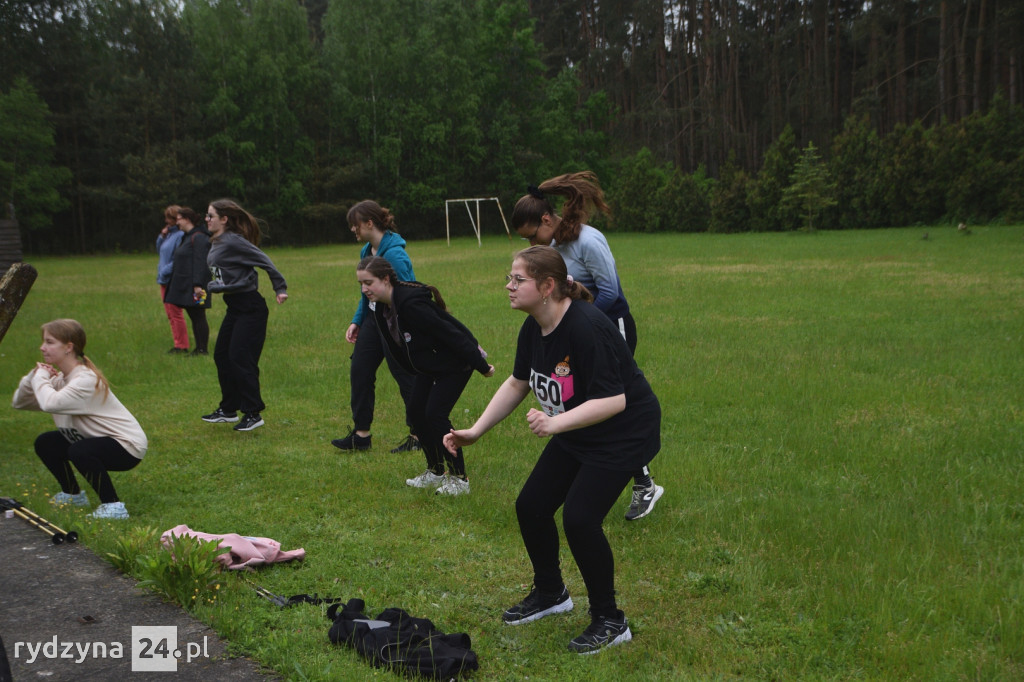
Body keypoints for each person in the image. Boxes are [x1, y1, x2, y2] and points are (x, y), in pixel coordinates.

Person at [444, 246, 661, 655]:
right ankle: (551, 593)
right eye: (509, 278)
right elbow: (518, 382)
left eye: (517, 280)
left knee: (580, 519)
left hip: (623, 432)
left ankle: (611, 620)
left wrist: (555, 423)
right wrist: (475, 431)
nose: (508, 286)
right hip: (581, 427)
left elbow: (614, 401)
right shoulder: (534, 326)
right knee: (532, 506)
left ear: (546, 287)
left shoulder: (585, 327)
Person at [511, 172, 664, 521]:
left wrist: (578, 326)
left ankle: (643, 484)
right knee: (590, 402)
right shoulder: (552, 250)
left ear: (547, 220)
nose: (533, 243)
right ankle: (603, 474)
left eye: (533, 234)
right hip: (583, 331)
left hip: (611, 326)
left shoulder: (589, 241)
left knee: (616, 402)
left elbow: (611, 293)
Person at [356, 256, 494, 495]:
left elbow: (449, 331)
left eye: (369, 282)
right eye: (361, 284)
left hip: (455, 363)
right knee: (416, 412)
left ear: (386, 279)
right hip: (429, 367)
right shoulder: (381, 306)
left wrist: (479, 363)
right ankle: (435, 472)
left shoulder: (410, 304)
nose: (364, 289)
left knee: (435, 414)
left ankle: (460, 480)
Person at [12, 319, 148, 519]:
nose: (42, 348)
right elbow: (20, 403)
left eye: (49, 342)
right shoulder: (61, 380)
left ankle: (113, 507)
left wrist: (41, 377)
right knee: (46, 442)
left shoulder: (84, 380)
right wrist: (32, 377)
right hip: (93, 440)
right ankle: (73, 495)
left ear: (68, 347)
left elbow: (49, 402)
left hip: (127, 447)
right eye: (43, 342)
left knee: (79, 450)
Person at [332, 200, 421, 454]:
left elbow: (407, 293)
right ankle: (361, 435)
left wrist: (406, 330)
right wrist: (357, 320)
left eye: (355, 225)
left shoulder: (395, 254)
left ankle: (419, 434)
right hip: (372, 321)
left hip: (394, 321)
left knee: (405, 376)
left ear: (369, 223)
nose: (353, 229)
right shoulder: (366, 251)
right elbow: (366, 292)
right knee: (360, 370)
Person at [201, 199, 288, 432]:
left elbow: (264, 261)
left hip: (251, 307)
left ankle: (253, 412)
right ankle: (228, 409)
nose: (207, 220)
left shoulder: (233, 241)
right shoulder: (218, 241)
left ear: (224, 219)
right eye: (206, 216)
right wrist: (211, 286)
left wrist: (280, 287)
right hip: (236, 307)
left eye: (210, 216)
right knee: (222, 355)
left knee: (240, 356)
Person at [163, 207, 212, 356]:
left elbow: (200, 262)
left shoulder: (198, 237)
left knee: (199, 315)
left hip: (198, 287)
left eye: (178, 219)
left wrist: (197, 285)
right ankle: (199, 348)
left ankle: (202, 349)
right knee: (194, 315)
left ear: (187, 219)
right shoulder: (187, 236)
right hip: (190, 286)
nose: (177, 222)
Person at [156, 204, 189, 354]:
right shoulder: (168, 234)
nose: (166, 221)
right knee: (170, 314)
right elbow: (160, 250)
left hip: (172, 278)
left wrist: (165, 272)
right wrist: (161, 236)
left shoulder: (180, 236)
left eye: (169, 218)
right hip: (164, 279)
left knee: (175, 313)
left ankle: (182, 345)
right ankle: (177, 342)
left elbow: (178, 258)